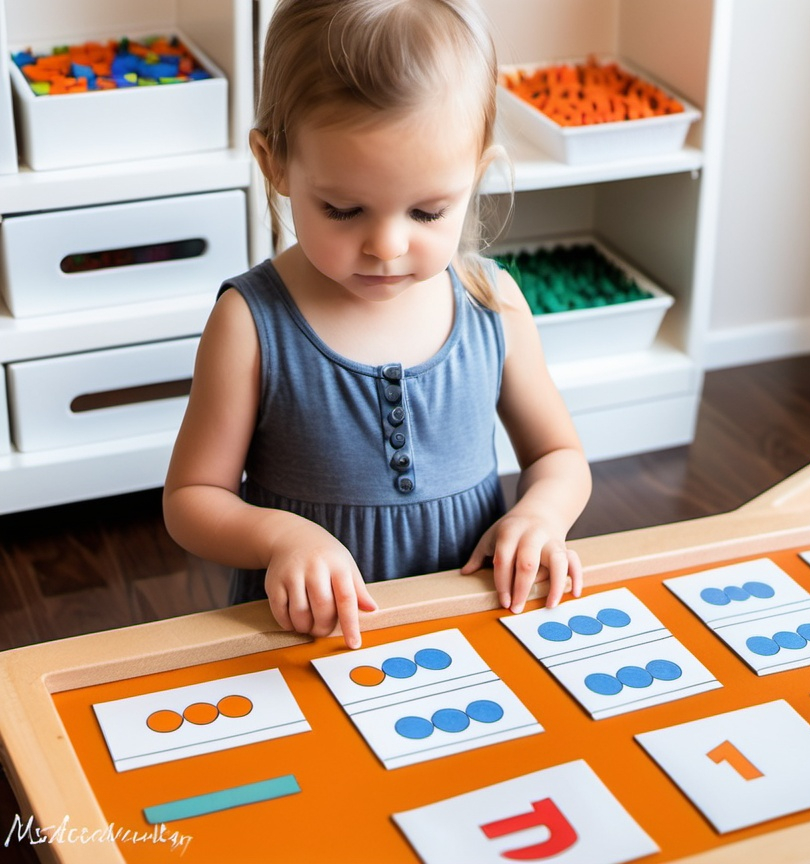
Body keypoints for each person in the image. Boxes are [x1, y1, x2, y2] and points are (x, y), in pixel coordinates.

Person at [163, 0, 592, 650]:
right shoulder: (251, 323)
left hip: (471, 623)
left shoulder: (493, 304)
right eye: (342, 209)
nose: (386, 245)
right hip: (308, 636)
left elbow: (559, 456)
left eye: (427, 212)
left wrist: (540, 516)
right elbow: (192, 498)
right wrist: (283, 538)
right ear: (274, 162)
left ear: (475, 175)